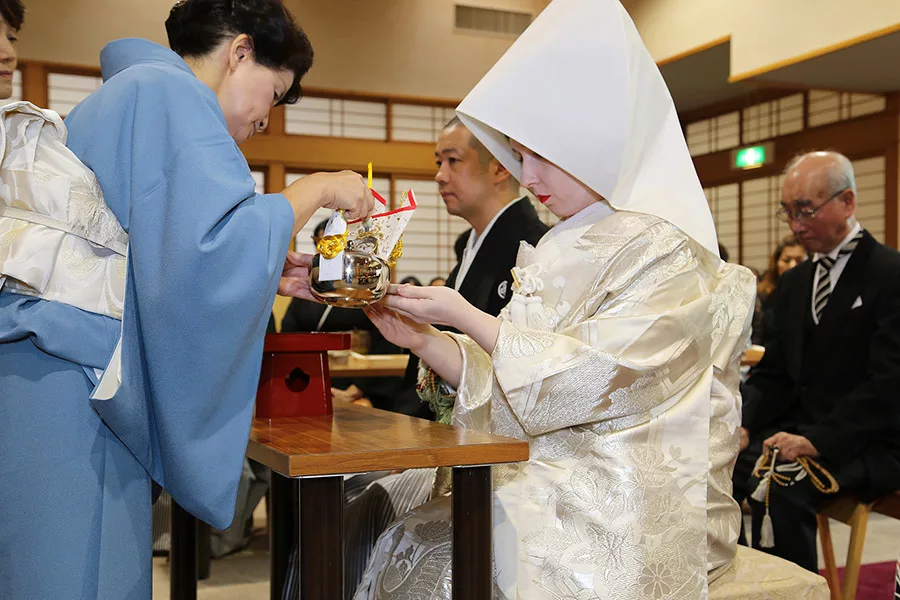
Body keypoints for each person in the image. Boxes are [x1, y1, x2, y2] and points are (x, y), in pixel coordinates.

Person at [352, 0, 756, 597]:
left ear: (594, 141)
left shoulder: (667, 247)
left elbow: (603, 373)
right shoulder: (569, 236)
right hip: (553, 462)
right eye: (520, 154)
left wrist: (465, 317)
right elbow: (519, 372)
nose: (527, 175)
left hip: (630, 486)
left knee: (439, 551)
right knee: (398, 517)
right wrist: (428, 341)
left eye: (539, 154)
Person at [0, 1, 373, 598]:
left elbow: (157, 258)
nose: (265, 122)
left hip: (45, 368)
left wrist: (263, 268)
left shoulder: (127, 94)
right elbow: (210, 254)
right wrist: (317, 187)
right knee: (77, 571)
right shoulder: (172, 95)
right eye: (273, 95)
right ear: (240, 52)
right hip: (74, 385)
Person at [735, 150, 900, 573]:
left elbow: (889, 383)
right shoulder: (794, 283)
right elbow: (775, 374)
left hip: (867, 439)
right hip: (800, 429)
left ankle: (795, 588)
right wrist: (744, 423)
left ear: (847, 202)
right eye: (787, 212)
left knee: (782, 489)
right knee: (725, 467)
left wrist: (819, 441)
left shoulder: (890, 273)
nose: (795, 225)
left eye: (806, 210)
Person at [281, 218, 403, 409]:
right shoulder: (309, 289)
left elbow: (385, 343)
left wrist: (357, 389)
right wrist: (312, 384)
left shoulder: (366, 290)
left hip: (361, 384)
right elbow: (289, 334)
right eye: (325, 247)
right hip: (312, 377)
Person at [751, 235, 807, 346]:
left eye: (799, 261)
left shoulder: (814, 294)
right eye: (786, 260)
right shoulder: (763, 295)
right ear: (776, 263)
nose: (792, 265)